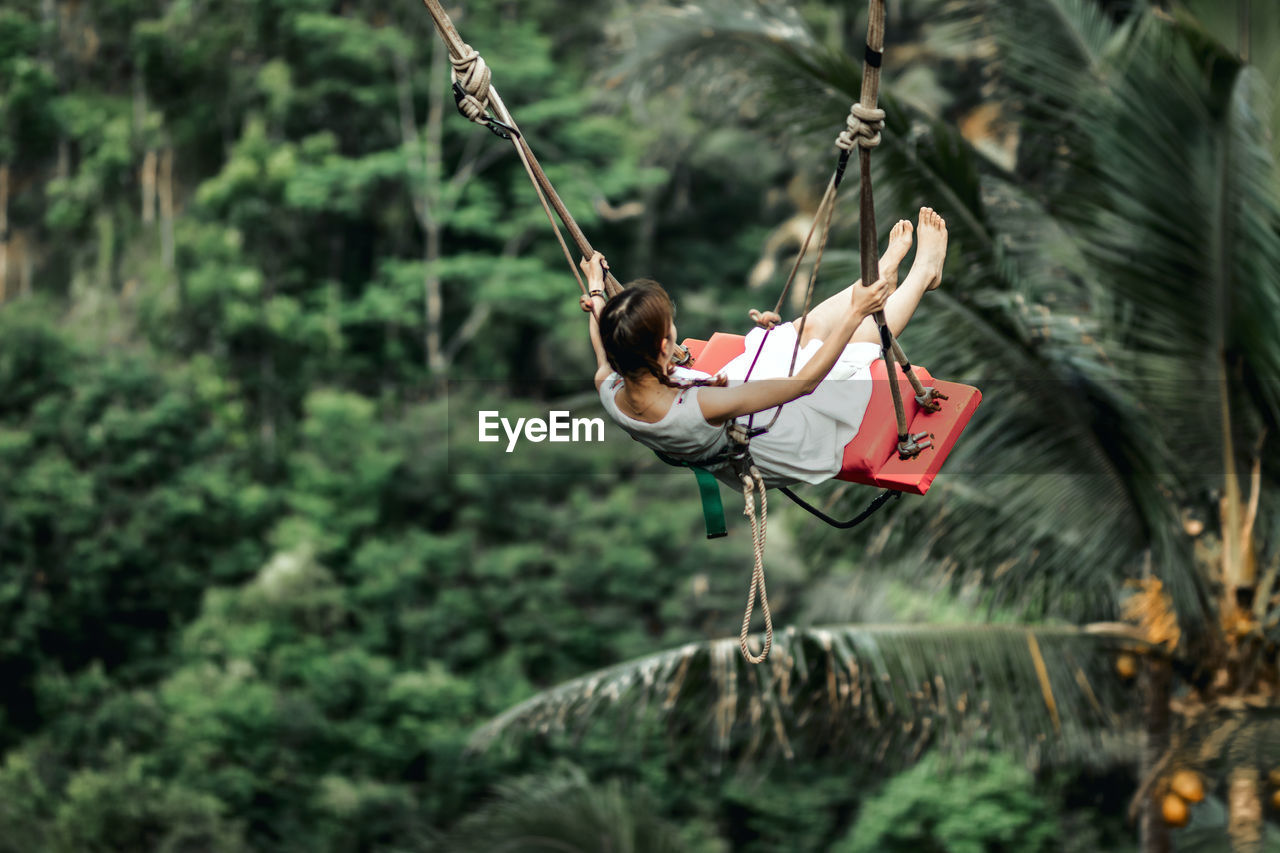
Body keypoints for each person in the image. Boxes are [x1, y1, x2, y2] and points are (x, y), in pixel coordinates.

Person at [582, 208, 949, 488]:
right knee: (853, 346)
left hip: (726, 406)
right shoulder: (699, 406)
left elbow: (602, 337)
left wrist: (596, 288)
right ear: (664, 347)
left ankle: (882, 274)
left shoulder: (611, 387)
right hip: (772, 441)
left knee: (803, 331)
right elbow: (803, 384)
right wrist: (855, 313)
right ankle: (922, 275)